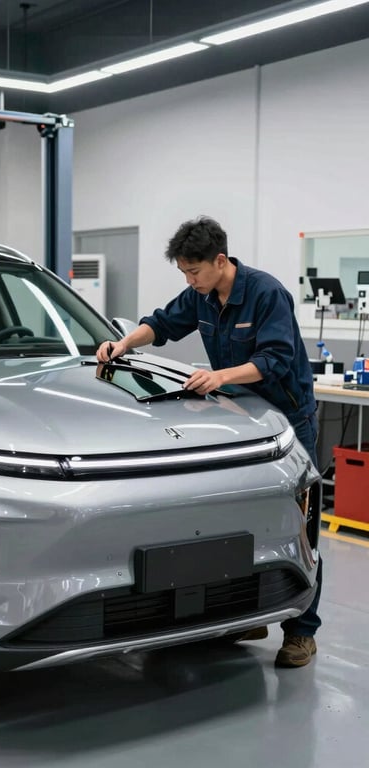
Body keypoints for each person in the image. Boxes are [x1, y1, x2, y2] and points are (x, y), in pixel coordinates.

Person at [96, 215, 322, 668]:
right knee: (239, 521)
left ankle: (300, 632)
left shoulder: (266, 293)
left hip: (287, 418)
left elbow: (275, 359)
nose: (189, 280)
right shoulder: (200, 294)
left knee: (299, 523)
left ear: (220, 260)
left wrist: (218, 376)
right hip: (239, 418)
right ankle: (248, 613)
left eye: (194, 271)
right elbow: (161, 324)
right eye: (183, 273)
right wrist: (124, 343)